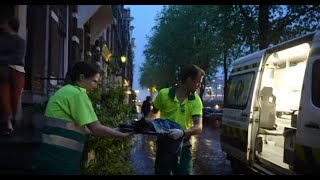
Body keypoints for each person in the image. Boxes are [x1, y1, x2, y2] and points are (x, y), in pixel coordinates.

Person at [32, 61, 134, 175]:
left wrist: (113, 130)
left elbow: (78, 127)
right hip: (62, 161)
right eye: (94, 81)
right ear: (81, 78)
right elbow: (96, 128)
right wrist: (120, 135)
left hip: (49, 157)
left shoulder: (64, 91)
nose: (95, 86)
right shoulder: (78, 94)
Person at [151, 64, 205, 175]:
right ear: (189, 79)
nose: (199, 85)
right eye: (198, 82)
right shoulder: (163, 94)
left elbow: (198, 127)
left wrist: (183, 133)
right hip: (164, 146)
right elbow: (153, 113)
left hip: (184, 147)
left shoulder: (196, 100)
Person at [0, 16, 26, 136]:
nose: (3, 26)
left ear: (10, 25)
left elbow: (18, 57)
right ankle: (9, 123)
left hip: (16, 71)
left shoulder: (20, 41)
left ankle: (10, 121)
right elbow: (16, 57)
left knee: (14, 98)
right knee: (5, 97)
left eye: (5, 24)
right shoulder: (3, 40)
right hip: (4, 71)